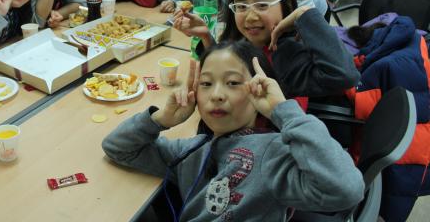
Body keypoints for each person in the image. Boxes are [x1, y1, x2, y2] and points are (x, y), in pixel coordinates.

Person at [102, 41, 364, 222]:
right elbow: (118, 148)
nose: (217, 95)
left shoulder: (273, 153)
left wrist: (283, 111)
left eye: (233, 83)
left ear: (258, 90)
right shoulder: (192, 149)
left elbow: (347, 189)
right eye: (206, 84)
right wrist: (160, 119)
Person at [173, 0, 358, 100]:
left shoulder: (290, 55)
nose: (250, 17)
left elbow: (345, 76)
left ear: (286, 5)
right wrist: (205, 36)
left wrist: (303, 13)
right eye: (241, 6)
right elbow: (227, 73)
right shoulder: (244, 43)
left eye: (262, 5)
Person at [344, 17, 430, 222]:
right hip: (418, 149)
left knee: (391, 195)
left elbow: (361, 101)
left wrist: (347, 76)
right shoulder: (414, 45)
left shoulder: (387, 63)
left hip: (407, 156)